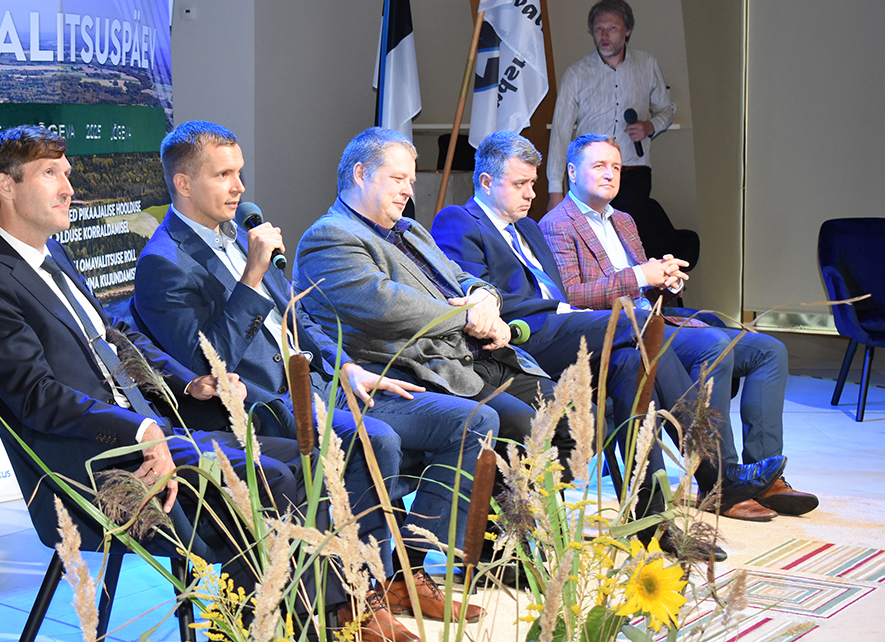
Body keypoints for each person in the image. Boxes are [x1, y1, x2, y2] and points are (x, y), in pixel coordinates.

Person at [133, 121, 491, 630]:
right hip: (265, 405)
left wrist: (347, 366)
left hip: (325, 384)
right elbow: (206, 363)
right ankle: (356, 598)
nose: (239, 187)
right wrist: (251, 278)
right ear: (184, 183)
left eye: (239, 173)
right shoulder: (164, 263)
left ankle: (404, 571)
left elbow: (298, 318)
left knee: (472, 421)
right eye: (223, 175)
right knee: (378, 440)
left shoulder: (238, 234)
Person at [0, 125, 305, 603]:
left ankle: (320, 616)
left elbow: (115, 336)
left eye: (67, 174)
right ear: (6, 186)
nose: (69, 188)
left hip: (154, 434)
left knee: (303, 460)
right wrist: (138, 430)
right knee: (271, 478)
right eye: (51, 174)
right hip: (98, 465)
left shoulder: (50, 253)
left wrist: (190, 383)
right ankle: (259, 625)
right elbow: (37, 397)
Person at [431, 131, 792, 528]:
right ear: (486, 182)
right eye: (520, 184)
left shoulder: (529, 228)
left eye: (533, 183)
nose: (531, 194)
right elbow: (480, 296)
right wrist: (567, 307)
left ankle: (652, 517)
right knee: (640, 323)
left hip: (566, 326)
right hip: (523, 334)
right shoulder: (458, 220)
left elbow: (558, 288)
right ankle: (718, 477)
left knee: (634, 362)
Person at [538, 133, 818, 518]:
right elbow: (572, 294)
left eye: (616, 167)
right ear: (572, 172)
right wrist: (641, 275)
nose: (610, 174)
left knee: (769, 350)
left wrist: (665, 282)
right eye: (599, 166)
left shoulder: (624, 220)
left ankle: (764, 476)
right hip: (622, 332)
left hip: (656, 319)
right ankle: (721, 480)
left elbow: (644, 289)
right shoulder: (557, 224)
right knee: (714, 346)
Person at [292, 127, 573, 486]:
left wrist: (485, 299)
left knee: (580, 416)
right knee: (525, 426)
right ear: (360, 174)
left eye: (410, 180)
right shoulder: (329, 235)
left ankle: (528, 516)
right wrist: (468, 316)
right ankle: (499, 520)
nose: (409, 190)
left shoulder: (410, 228)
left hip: (483, 357)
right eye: (398, 179)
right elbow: (387, 303)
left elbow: (462, 276)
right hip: (432, 369)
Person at [546, 0, 696, 264]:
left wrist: (650, 126)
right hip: (589, 172)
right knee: (591, 240)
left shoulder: (647, 64)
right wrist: (555, 190)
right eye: (598, 28)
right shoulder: (576, 73)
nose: (604, 36)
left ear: (627, 30)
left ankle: (637, 283)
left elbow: (666, 109)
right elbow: (560, 133)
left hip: (634, 170)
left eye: (612, 28)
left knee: (628, 241)